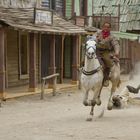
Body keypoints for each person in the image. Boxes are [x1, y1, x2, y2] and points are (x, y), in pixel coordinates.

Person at [96, 22, 120, 86]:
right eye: (105, 27)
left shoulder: (112, 36)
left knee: (108, 61)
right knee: (88, 57)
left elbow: (116, 44)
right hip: (97, 50)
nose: (106, 28)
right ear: (102, 27)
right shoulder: (98, 33)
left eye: (107, 27)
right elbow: (93, 39)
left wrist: (117, 51)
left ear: (110, 28)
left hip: (106, 52)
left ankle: (106, 78)